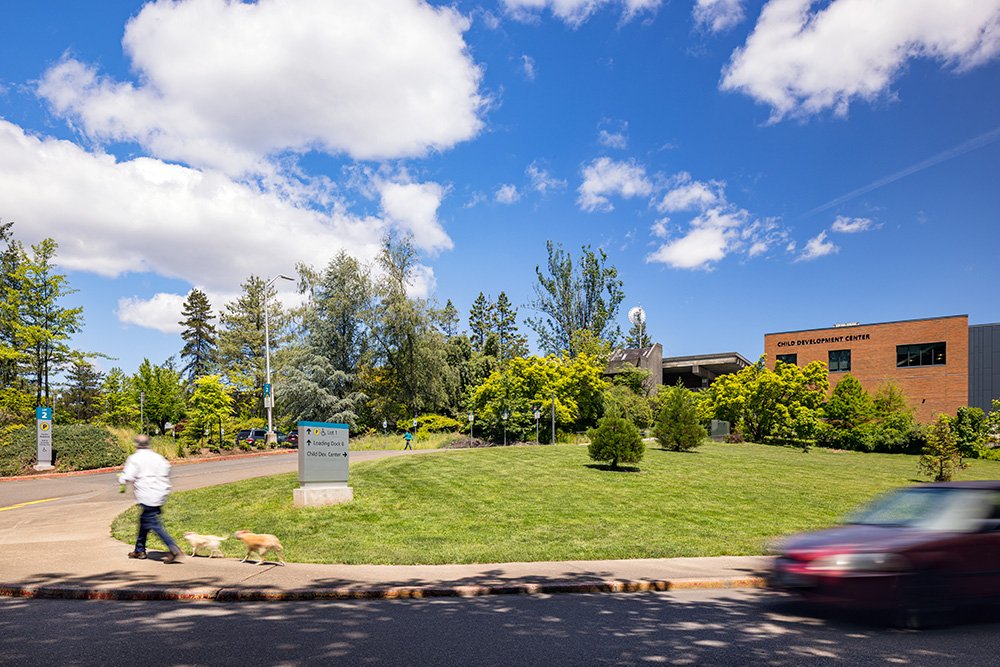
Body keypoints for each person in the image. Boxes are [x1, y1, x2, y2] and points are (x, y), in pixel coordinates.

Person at [118, 435, 183, 563]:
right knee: (145, 520)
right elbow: (167, 469)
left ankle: (172, 546)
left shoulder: (134, 458)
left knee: (152, 523)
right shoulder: (158, 457)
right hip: (161, 492)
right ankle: (139, 550)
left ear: (136, 445)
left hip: (147, 494)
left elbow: (128, 476)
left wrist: (120, 478)